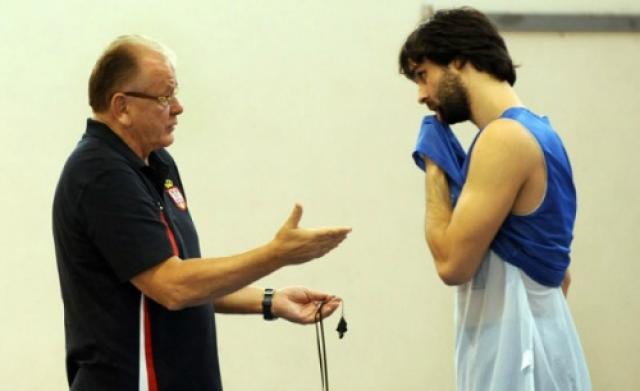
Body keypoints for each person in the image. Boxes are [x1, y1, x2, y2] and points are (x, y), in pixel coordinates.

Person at [52, 35, 351, 391]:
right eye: (165, 97)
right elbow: (171, 286)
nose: (178, 107)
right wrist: (277, 254)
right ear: (122, 107)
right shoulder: (100, 174)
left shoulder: (157, 164)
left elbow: (189, 281)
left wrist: (270, 300)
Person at [398, 7, 591, 390]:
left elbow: (451, 264)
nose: (421, 95)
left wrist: (435, 167)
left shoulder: (504, 139)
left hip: (522, 362)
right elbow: (559, 277)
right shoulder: (539, 134)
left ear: (458, 60)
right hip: (537, 350)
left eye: (424, 75)